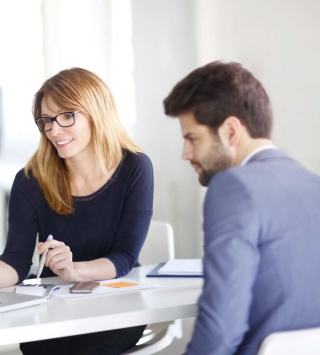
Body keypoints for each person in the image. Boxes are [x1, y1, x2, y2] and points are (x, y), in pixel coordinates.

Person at [163, 61, 320, 355]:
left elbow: (221, 332)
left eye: (192, 138)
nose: (186, 154)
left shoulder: (233, 186)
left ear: (231, 131)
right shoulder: (313, 182)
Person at [0, 67, 153, 355]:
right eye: (46, 120)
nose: (54, 130)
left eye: (67, 116)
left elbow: (125, 257)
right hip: (52, 308)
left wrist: (73, 271)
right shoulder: (30, 180)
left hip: (115, 304)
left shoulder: (135, 167)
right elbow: (15, 263)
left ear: (97, 112)